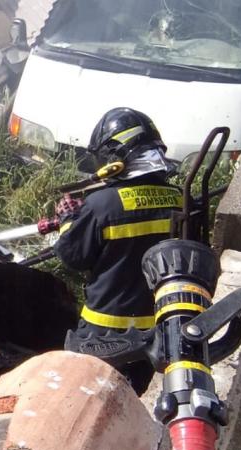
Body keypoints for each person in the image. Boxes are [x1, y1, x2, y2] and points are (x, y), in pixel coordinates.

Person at [54, 107, 182, 393]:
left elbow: (72, 256)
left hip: (103, 333)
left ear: (114, 158)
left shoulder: (103, 204)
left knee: (90, 398)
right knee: (136, 396)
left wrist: (67, 219)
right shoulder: (179, 200)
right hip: (160, 326)